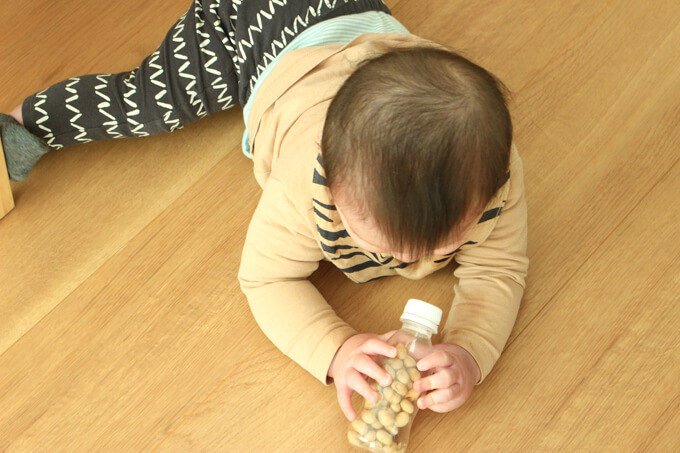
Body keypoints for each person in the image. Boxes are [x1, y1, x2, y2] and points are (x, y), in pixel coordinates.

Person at [1, 0, 528, 422]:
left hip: (347, 22)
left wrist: (469, 353)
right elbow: (266, 280)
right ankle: (27, 124)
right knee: (154, 100)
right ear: (335, 187)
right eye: (384, 248)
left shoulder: (491, 172)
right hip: (250, 28)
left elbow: (499, 270)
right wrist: (335, 348)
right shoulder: (306, 180)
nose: (413, 262)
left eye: (444, 247)